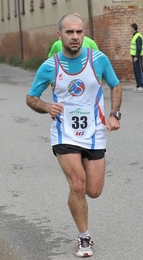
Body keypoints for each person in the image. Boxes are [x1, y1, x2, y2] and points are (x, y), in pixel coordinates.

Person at [26, 13, 122, 258]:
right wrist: (48, 107)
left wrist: (114, 115)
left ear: (84, 34)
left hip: (95, 132)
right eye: (70, 32)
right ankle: (84, 237)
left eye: (79, 32)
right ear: (60, 35)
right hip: (64, 132)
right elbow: (31, 98)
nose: (75, 37)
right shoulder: (49, 67)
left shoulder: (98, 60)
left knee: (94, 190)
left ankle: (80, 210)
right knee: (77, 185)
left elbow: (115, 84)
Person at [130, 23, 143, 91]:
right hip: (135, 56)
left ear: (133, 28)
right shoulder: (135, 36)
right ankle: (138, 85)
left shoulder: (138, 36)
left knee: (139, 70)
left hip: (137, 56)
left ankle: (141, 85)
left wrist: (136, 56)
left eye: (130, 28)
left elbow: (138, 48)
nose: (130, 30)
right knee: (136, 71)